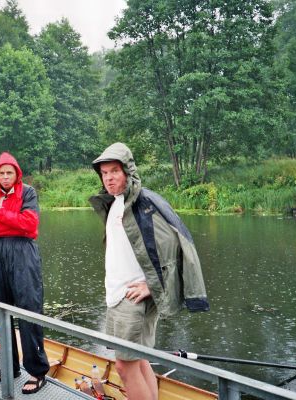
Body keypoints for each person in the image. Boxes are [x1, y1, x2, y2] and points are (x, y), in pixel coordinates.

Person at [89, 143, 209, 400]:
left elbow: (178, 246)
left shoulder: (145, 204)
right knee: (140, 361)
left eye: (114, 171)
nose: (109, 178)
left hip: (134, 298)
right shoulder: (116, 203)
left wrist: (151, 287)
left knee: (125, 366)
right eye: (104, 173)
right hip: (118, 293)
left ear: (128, 172)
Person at [0, 152, 49, 395]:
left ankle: (37, 371)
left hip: (24, 254)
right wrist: (11, 219)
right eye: (2, 173)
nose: (6, 177)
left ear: (16, 174)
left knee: (28, 309)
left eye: (10, 173)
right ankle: (10, 367)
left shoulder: (27, 192)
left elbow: (30, 225)